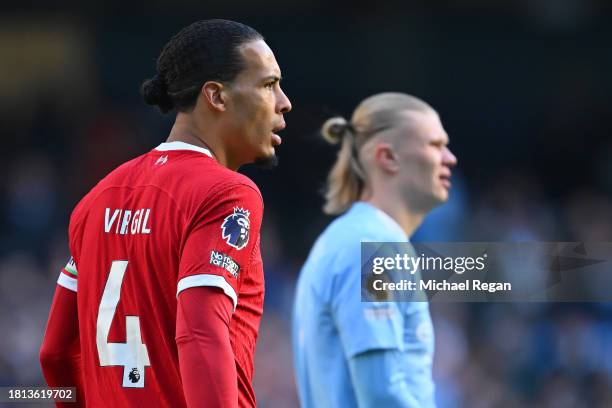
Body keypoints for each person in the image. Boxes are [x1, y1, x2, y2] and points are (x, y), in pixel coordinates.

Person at [39, 19, 291, 408]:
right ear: (217, 97)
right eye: (268, 84)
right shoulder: (226, 194)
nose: (283, 102)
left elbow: (55, 353)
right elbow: (200, 331)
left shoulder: (95, 200)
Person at [292, 93, 456, 407]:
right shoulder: (374, 247)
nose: (450, 158)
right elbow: (381, 393)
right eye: (435, 145)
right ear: (388, 157)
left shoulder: (350, 239)